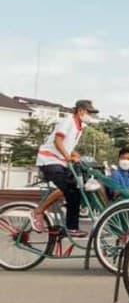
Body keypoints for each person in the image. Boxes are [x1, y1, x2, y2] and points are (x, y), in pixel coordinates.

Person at [30, 99, 98, 236]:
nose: (91, 116)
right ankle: (38, 212)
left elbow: (67, 145)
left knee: (76, 189)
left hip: (59, 162)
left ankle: (71, 226)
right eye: (89, 112)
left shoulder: (79, 127)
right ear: (80, 111)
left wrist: (74, 153)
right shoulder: (68, 121)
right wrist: (67, 156)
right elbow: (57, 141)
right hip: (49, 161)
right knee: (70, 189)